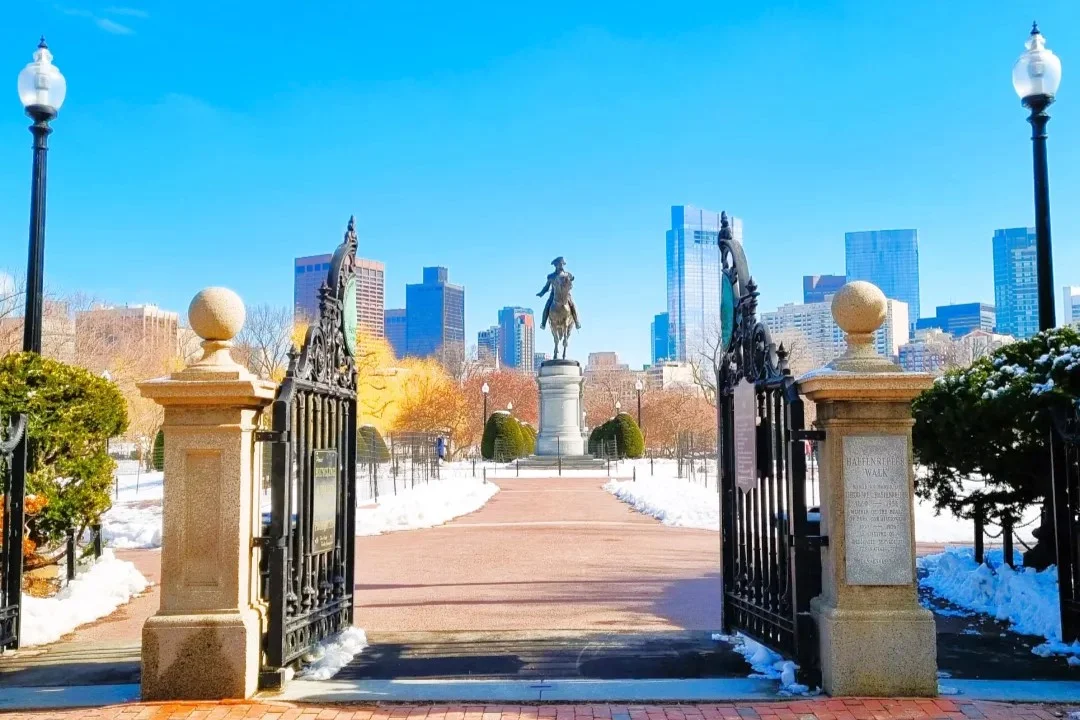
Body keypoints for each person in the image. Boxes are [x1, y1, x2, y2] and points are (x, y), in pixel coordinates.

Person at [537, 256, 581, 330]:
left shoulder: (567, 274)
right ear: (556, 265)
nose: (561, 265)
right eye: (560, 264)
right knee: (547, 306)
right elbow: (546, 287)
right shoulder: (551, 276)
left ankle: (577, 322)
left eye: (562, 264)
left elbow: (571, 283)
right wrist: (541, 293)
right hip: (554, 295)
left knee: (573, 304)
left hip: (566, 295)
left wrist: (570, 281)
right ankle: (543, 323)